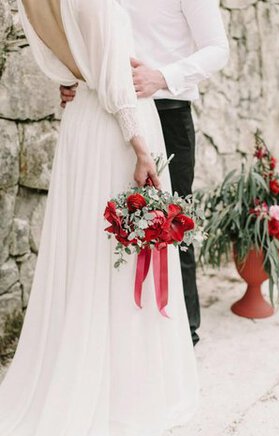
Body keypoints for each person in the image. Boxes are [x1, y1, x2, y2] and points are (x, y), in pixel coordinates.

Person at [0, 0, 199, 436]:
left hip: (81, 125)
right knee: (115, 256)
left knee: (86, 254)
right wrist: (142, 149)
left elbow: (69, 64)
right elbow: (115, 83)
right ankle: (121, 393)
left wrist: (75, 80)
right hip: (116, 132)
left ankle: (87, 370)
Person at [61, 0, 230, 345]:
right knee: (111, 229)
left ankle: (184, 333)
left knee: (172, 223)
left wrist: (163, 76)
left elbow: (218, 49)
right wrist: (75, 80)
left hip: (166, 111)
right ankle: (125, 337)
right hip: (108, 118)